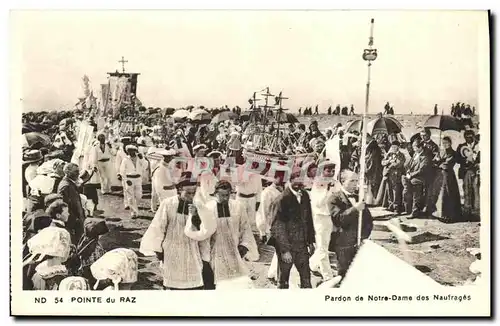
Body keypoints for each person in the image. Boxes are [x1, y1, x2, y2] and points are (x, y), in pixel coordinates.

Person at [141, 172, 210, 290]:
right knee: (173, 283)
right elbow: (158, 227)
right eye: (188, 193)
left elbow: (204, 231)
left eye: (193, 193)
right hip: (172, 250)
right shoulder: (168, 204)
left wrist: (205, 256)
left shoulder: (199, 205)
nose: (191, 196)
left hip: (192, 249)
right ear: (179, 190)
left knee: (194, 283)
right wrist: (159, 250)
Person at [194, 180, 259, 289]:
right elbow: (204, 234)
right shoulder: (208, 208)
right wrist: (205, 257)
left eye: (227, 195)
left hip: (234, 250)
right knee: (217, 281)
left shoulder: (238, 206)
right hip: (215, 252)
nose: (225, 198)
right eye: (221, 195)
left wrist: (244, 245)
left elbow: (245, 228)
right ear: (215, 194)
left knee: (236, 282)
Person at [271, 172, 315, 289]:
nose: (300, 186)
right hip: (287, 247)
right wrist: (284, 250)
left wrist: (311, 241)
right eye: (297, 182)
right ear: (290, 181)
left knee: (306, 279)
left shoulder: (305, 196)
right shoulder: (282, 200)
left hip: (302, 246)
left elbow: (308, 219)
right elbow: (277, 227)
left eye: (302, 183)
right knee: (283, 281)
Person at [327, 169, 373, 278]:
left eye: (357, 181)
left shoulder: (358, 198)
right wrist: (355, 209)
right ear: (343, 181)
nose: (355, 184)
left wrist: (363, 237)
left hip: (359, 243)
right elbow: (339, 219)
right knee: (344, 275)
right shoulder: (334, 198)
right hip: (343, 244)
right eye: (352, 181)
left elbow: (368, 221)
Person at [309, 160, 337, 282]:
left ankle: (313, 264)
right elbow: (318, 203)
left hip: (331, 217)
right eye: (328, 170)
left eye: (332, 171)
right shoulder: (318, 184)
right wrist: (327, 190)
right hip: (320, 218)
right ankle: (328, 277)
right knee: (322, 247)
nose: (331, 173)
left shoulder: (335, 183)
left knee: (324, 245)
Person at [428, 137, 462, 223]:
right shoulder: (441, 152)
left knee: (448, 193)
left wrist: (439, 162)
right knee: (440, 193)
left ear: (450, 143)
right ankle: (440, 213)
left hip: (448, 175)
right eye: (443, 143)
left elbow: (447, 164)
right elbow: (434, 161)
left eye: (447, 143)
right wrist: (437, 160)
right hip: (440, 175)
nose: (445, 144)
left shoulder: (453, 153)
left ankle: (450, 214)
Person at [57, 163, 85, 243]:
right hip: (72, 219)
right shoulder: (66, 186)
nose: (78, 173)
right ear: (68, 173)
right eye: (76, 172)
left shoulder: (69, 183)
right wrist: (76, 219)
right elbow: (66, 205)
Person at [402, 140, 430, 218]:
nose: (414, 148)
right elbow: (411, 164)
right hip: (411, 177)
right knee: (406, 192)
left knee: (416, 196)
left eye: (415, 147)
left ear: (420, 147)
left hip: (419, 178)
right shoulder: (415, 154)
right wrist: (408, 171)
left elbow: (422, 170)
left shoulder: (425, 156)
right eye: (413, 146)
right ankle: (407, 210)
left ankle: (415, 212)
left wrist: (411, 175)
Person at [375, 140, 406, 213]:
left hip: (396, 175)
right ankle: (390, 205)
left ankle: (396, 207)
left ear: (398, 147)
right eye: (392, 147)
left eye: (395, 147)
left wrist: (390, 164)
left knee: (396, 192)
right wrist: (389, 161)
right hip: (388, 175)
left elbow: (399, 164)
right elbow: (382, 162)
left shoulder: (401, 155)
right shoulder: (389, 154)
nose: (393, 148)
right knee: (389, 190)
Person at [119, 145, 147, 218]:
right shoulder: (125, 159)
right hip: (129, 179)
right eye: (129, 150)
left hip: (138, 179)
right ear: (127, 151)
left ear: (135, 150)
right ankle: (134, 212)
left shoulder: (139, 158)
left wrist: (142, 159)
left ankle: (134, 207)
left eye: (133, 150)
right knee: (130, 197)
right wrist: (126, 180)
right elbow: (122, 171)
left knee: (139, 196)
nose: (131, 152)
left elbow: (145, 166)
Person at [457, 130, 480, 220]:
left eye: (470, 137)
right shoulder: (461, 146)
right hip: (466, 172)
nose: (468, 139)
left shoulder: (479, 145)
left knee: (476, 191)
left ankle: (477, 212)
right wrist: (466, 160)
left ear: (473, 136)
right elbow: (457, 159)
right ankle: (467, 212)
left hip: (477, 171)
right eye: (466, 137)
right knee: (467, 191)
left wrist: (477, 162)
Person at [419, 128, 439, 215]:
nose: (423, 137)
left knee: (428, 189)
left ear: (429, 135)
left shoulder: (434, 146)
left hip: (429, 170)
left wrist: (434, 159)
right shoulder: (420, 144)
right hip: (420, 169)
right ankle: (420, 206)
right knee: (420, 188)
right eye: (421, 136)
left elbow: (436, 158)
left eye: (424, 135)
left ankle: (428, 207)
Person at [364, 134, 383, 205]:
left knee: (373, 185)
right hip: (375, 168)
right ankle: (372, 201)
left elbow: (372, 159)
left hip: (374, 169)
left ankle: (373, 201)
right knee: (372, 185)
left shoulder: (373, 146)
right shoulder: (374, 145)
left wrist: (368, 169)